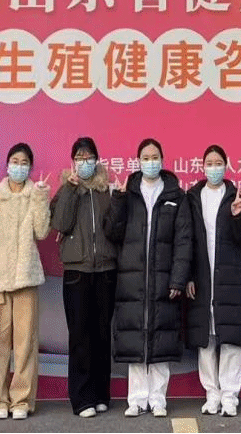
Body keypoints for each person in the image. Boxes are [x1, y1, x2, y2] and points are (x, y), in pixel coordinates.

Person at [104, 138, 193, 419]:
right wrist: (118, 201)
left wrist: (178, 279)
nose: (150, 162)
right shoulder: (128, 193)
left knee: (161, 338)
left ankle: (157, 399)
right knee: (135, 338)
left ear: (162, 160)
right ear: (138, 161)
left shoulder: (176, 195)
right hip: (132, 278)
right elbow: (112, 232)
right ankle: (136, 399)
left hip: (163, 278)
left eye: (155, 157)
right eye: (146, 157)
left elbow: (183, 240)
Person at [0, 142, 52, 420]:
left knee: (26, 344)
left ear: (31, 167)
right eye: (15, 162)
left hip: (26, 279)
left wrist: (41, 198)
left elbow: (42, 231)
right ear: (7, 165)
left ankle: (22, 400)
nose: (19, 167)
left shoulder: (34, 194)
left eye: (24, 163)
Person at [183, 144, 241, 417]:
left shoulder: (234, 195)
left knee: (230, 340)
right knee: (207, 341)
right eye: (209, 163)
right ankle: (212, 394)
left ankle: (230, 396)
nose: (214, 168)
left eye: (218, 163)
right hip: (202, 278)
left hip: (230, 277)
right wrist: (188, 275)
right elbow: (187, 239)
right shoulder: (193, 197)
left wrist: (238, 216)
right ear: (202, 166)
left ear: (226, 165)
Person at [49, 137, 118, 419]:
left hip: (105, 270)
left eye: (89, 157)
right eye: (79, 157)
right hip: (77, 271)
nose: (85, 162)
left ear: (97, 160)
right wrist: (71, 189)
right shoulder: (67, 189)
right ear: (73, 162)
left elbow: (115, 228)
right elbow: (60, 223)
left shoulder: (106, 190)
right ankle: (81, 398)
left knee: (102, 334)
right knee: (80, 335)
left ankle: (101, 394)